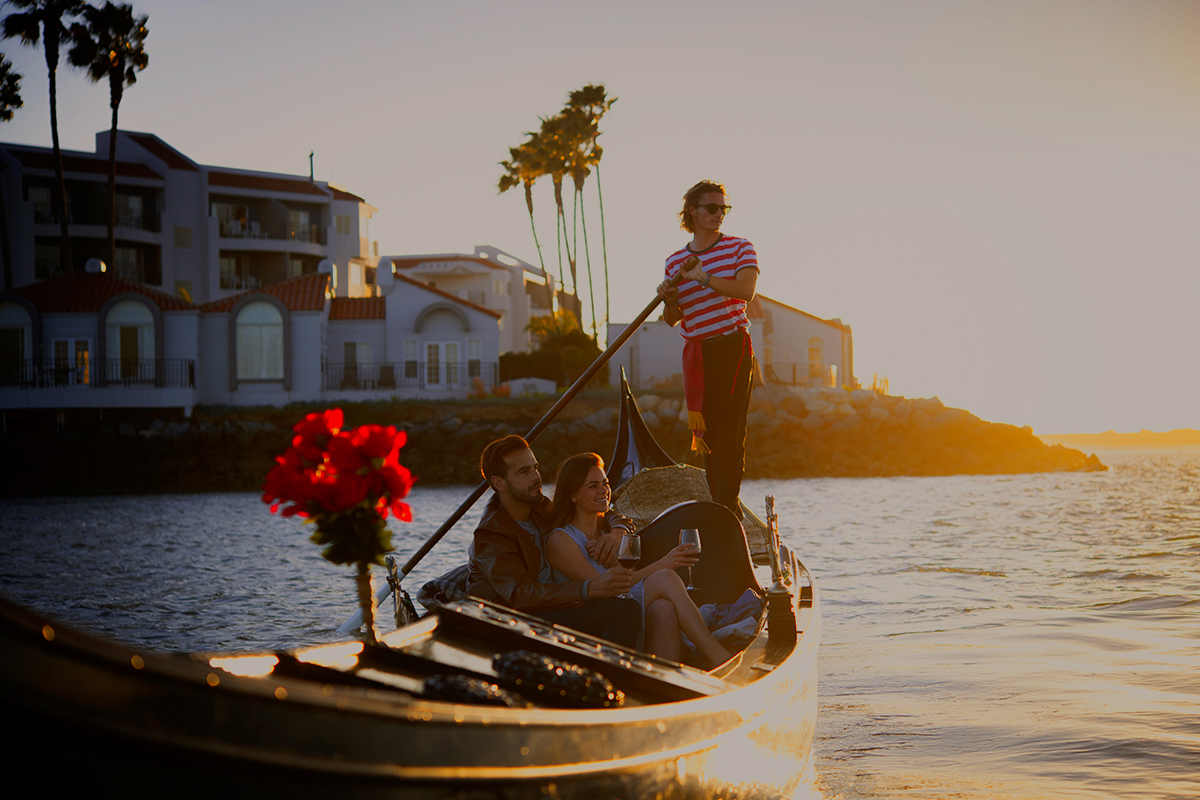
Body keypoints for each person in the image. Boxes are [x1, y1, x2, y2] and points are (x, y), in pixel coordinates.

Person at [543, 453, 734, 666]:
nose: (603, 491)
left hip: (622, 609)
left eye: (605, 483)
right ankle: (720, 657)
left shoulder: (608, 535)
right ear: (572, 495)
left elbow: (629, 579)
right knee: (666, 578)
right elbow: (606, 588)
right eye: (592, 486)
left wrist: (617, 538)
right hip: (594, 619)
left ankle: (663, 683)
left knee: (664, 608)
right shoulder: (560, 540)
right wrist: (664, 563)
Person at [466, 435, 642, 649]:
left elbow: (604, 512)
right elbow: (520, 595)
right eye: (524, 472)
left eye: (535, 467)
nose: (536, 477)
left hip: (559, 607)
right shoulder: (491, 536)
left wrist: (617, 532)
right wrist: (586, 589)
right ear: (498, 482)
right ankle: (613, 678)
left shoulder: (541, 509)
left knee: (629, 603)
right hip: (519, 624)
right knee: (622, 609)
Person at [657, 180, 758, 519]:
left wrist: (704, 278)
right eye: (712, 208)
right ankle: (720, 505)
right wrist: (670, 299)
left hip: (733, 348)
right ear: (693, 212)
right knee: (709, 437)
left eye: (723, 209)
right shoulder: (674, 263)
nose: (719, 215)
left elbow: (746, 291)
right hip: (698, 354)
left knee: (730, 433)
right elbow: (671, 319)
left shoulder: (740, 248)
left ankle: (727, 508)